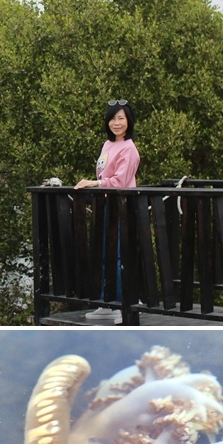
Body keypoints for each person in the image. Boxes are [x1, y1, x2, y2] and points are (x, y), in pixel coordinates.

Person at [74, 99, 140, 323]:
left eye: (121, 118)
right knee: (104, 255)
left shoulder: (129, 149)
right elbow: (105, 174)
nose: (116, 123)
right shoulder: (107, 145)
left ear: (129, 121)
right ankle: (105, 302)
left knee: (119, 255)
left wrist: (93, 184)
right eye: (113, 118)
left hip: (121, 208)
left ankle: (122, 304)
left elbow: (119, 181)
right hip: (105, 207)